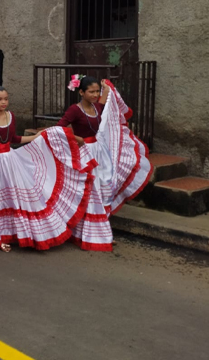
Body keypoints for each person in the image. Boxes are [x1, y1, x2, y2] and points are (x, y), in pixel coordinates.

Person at [0, 85, 97, 253]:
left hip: (11, 160)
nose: (3, 102)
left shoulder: (11, 116)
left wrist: (36, 137)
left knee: (17, 198)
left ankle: (17, 234)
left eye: (6, 99)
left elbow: (14, 138)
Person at [57, 75, 154, 251]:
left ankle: (92, 231)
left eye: (96, 91)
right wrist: (77, 139)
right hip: (85, 154)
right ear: (81, 92)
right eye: (91, 91)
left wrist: (106, 86)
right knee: (91, 192)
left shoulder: (97, 107)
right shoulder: (74, 110)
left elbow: (107, 98)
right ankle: (96, 234)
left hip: (100, 153)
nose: (95, 94)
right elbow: (59, 128)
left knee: (103, 190)